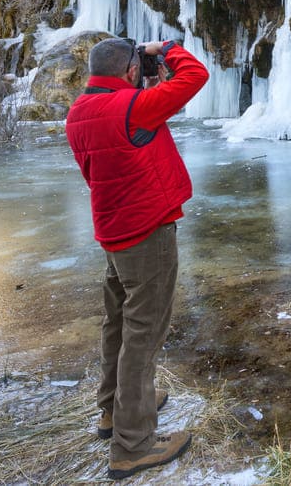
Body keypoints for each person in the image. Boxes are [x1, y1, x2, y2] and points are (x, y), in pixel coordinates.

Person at [65, 37, 209, 480]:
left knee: (118, 325)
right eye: (138, 66)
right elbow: (196, 76)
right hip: (148, 233)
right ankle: (133, 445)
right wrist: (165, 48)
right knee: (144, 337)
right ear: (129, 71)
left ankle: (112, 413)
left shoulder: (78, 113)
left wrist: (145, 76)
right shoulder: (133, 109)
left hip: (113, 232)